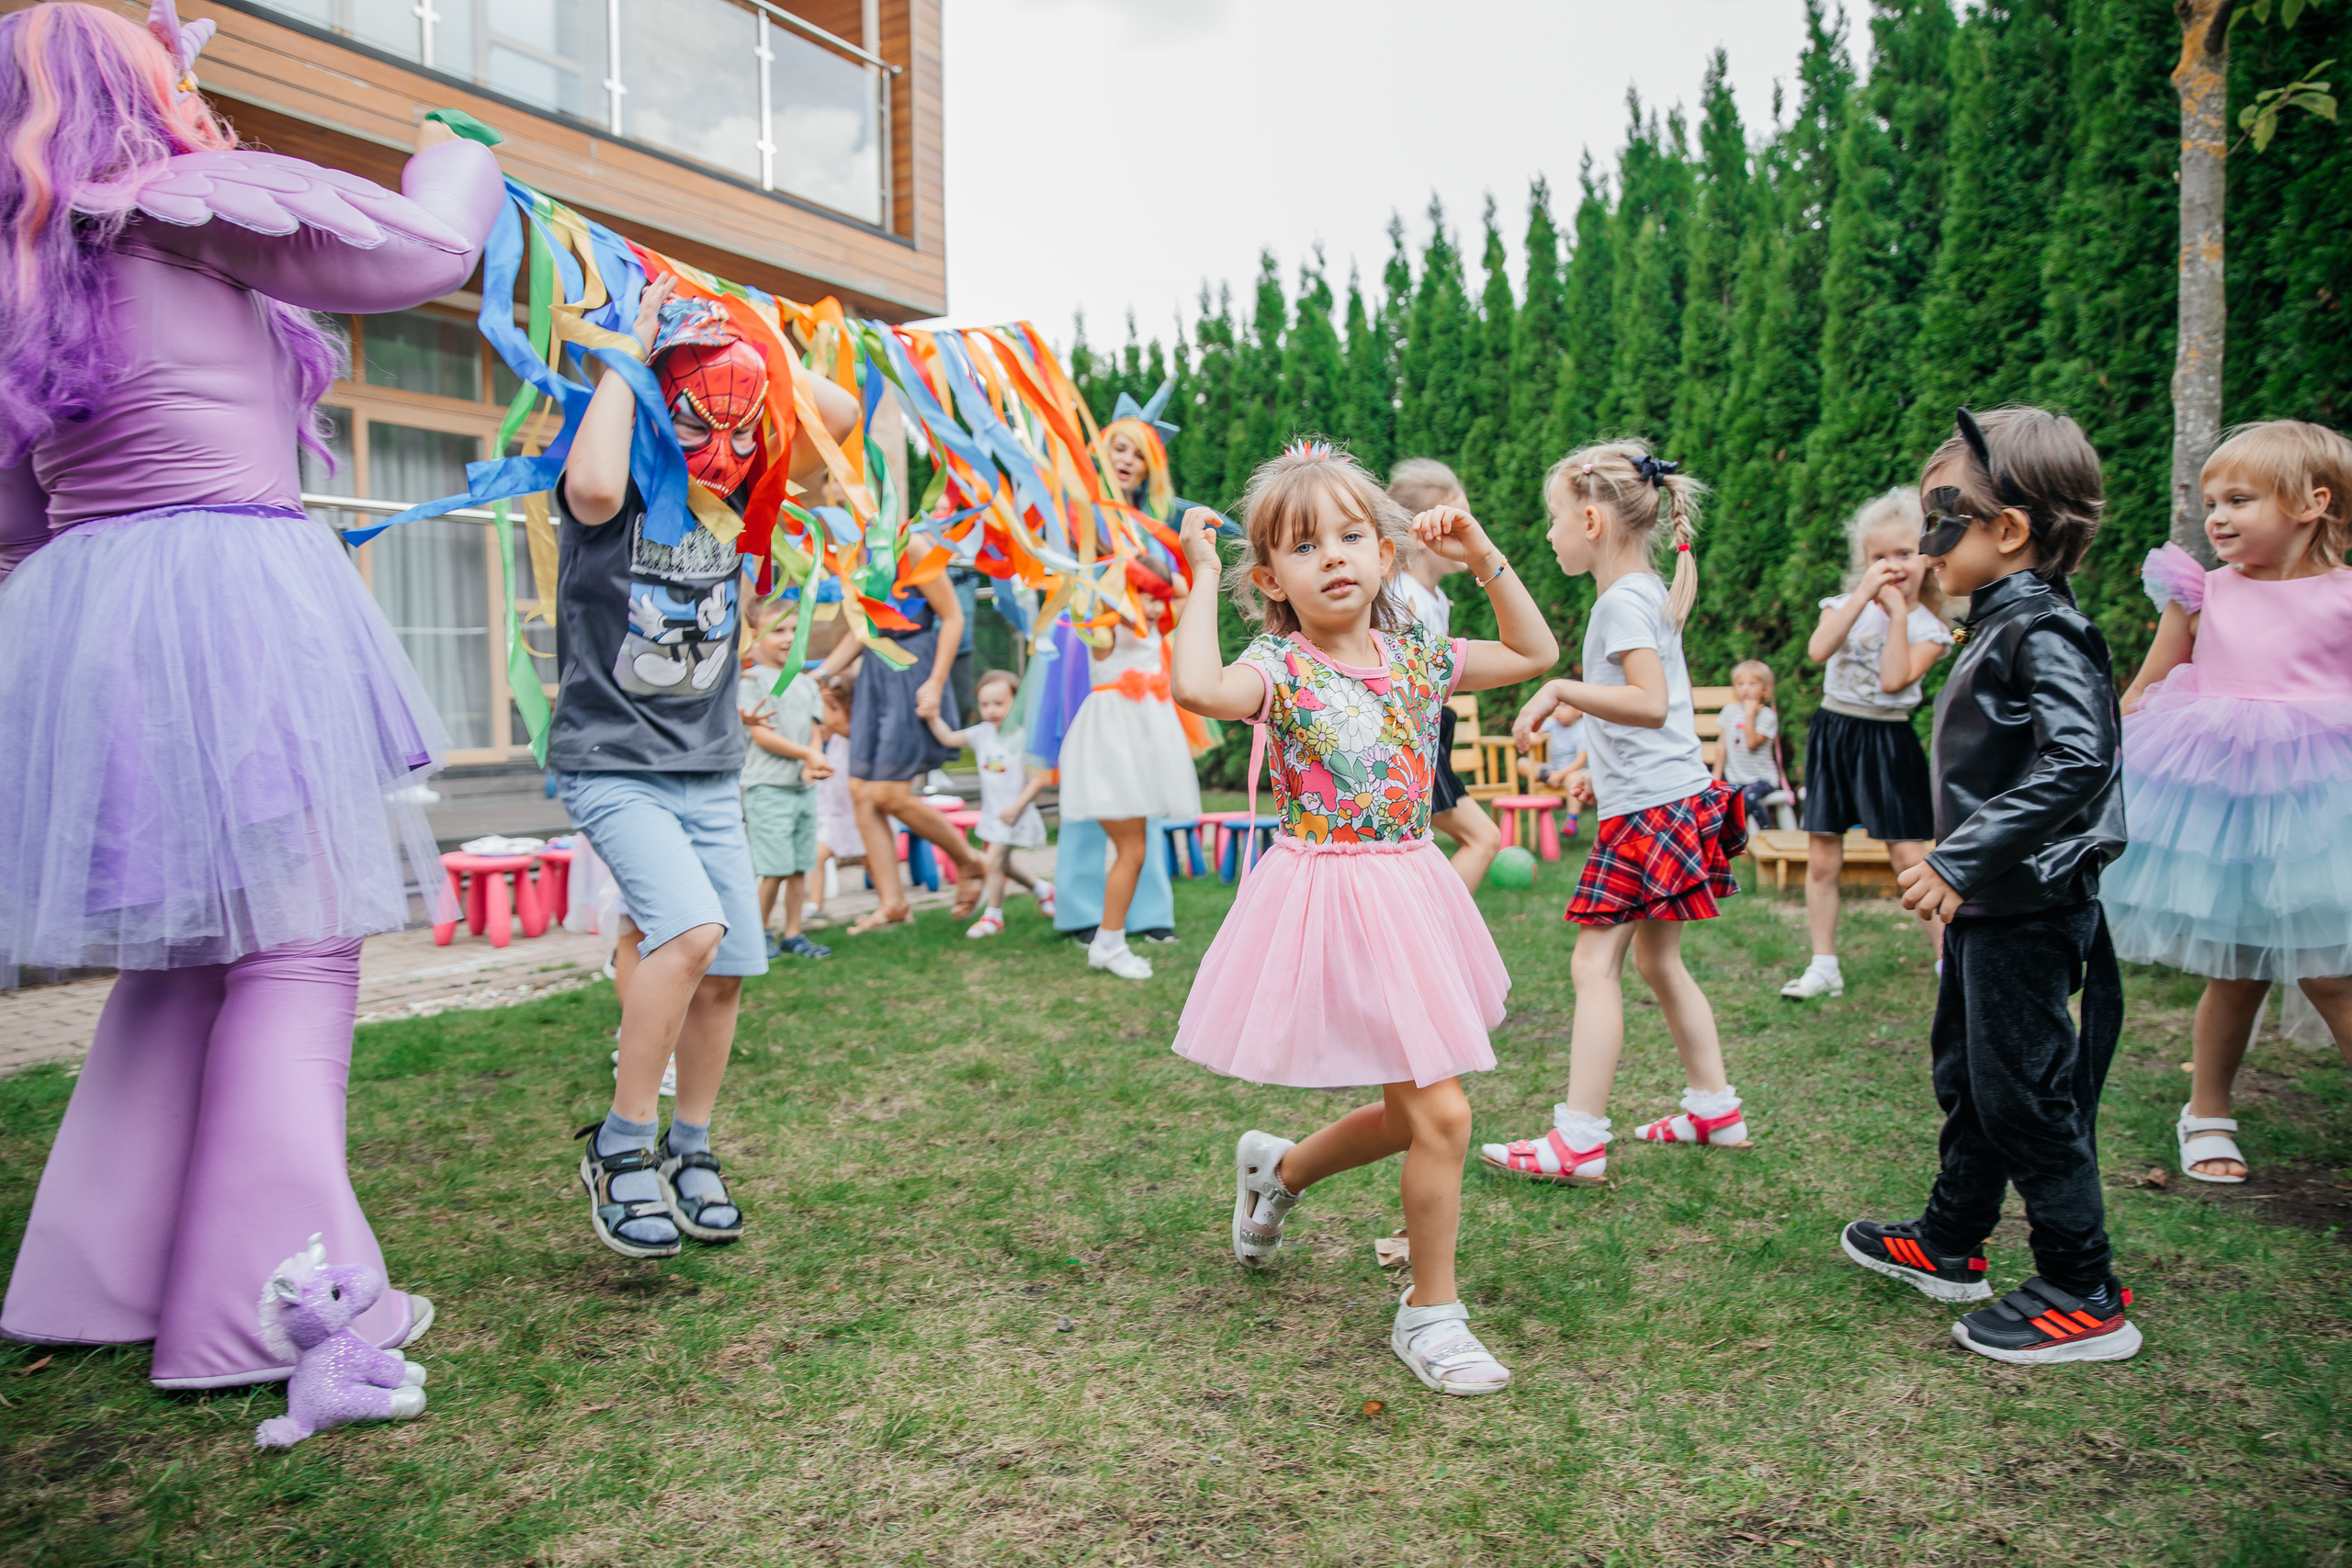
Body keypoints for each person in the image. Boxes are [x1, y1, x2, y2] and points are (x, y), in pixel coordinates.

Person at [0, 0, 502, 1386]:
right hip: (226, 593)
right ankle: (270, 1310)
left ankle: (94, 1278)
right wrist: (461, 159)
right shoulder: (167, 205)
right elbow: (422, 254)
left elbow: (12, 520)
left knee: (185, 956)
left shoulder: (21, 270)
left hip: (86, 615)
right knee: (296, 947)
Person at [1169, 442, 1557, 1396]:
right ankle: (1430, 1313)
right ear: (1271, 578)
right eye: (1304, 547)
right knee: (1442, 1114)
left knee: (1409, 1114)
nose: (1333, 557)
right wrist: (1201, 574)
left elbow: (1536, 654)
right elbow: (1198, 689)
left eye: (1351, 537)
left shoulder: (1417, 656)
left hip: (1410, 896)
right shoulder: (1278, 667)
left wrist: (1480, 551)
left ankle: (1279, 1173)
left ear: (1386, 554)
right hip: (1327, 906)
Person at [556, 272, 858, 1261]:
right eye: (694, 420)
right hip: (614, 763)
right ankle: (620, 1145)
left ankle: (691, 1146)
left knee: (725, 972)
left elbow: (837, 416)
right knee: (688, 935)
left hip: (708, 768)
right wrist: (633, 347)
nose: (718, 447)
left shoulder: (735, 508)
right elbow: (593, 486)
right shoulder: (614, 494)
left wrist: (751, 331)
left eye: (738, 426)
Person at [1843, 406, 2136, 1366]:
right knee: (1972, 1078)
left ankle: (2083, 1287)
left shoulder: (2044, 630)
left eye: (1942, 519)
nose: (1926, 544)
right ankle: (1950, 1240)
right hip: (1990, 903)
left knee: (2026, 1096)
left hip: (2029, 905)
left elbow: (2080, 759)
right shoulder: (1999, 622)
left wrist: (1958, 860)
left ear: (2008, 530)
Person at [1479, 441, 1752, 1186]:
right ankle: (1715, 1108)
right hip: (1670, 798)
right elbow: (1652, 718)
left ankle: (1578, 1139)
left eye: (1555, 518)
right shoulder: (1642, 591)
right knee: (1658, 961)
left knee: (1593, 964)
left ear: (1592, 521)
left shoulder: (1621, 602)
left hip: (1654, 812)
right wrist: (1593, 772)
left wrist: (1561, 689)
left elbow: (1649, 703)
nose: (1549, 533)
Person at [2105, 419, 2352, 1184]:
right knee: (2237, 966)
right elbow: (2144, 690)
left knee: (2332, 973)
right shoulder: (2201, 592)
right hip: (2223, 813)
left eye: (2239, 500)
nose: (2217, 516)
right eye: (2212, 501)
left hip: (2321, 809)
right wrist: (2093, 768)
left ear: (2312, 503)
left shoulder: (2345, 595)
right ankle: (2206, 1108)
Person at [1781, 489, 1954, 999]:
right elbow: (1818, 651)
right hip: (1834, 732)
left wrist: (1898, 615)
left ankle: (1950, 963)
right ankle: (1824, 965)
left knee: (1910, 857)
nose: (1892, 566)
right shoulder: (1842, 606)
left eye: (1904, 553)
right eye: (1879, 557)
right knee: (1823, 857)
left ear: (1927, 557)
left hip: (1888, 739)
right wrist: (1861, 597)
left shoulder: (1932, 630)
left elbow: (1895, 680)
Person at [815, 571, 986, 934]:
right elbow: (863, 628)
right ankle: (892, 903)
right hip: (876, 670)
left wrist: (935, 682)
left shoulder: (914, 546)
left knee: (888, 794)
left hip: (911, 667)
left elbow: (953, 617)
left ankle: (969, 861)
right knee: (860, 790)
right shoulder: (856, 554)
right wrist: (821, 674)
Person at [1057, 609, 1204, 980]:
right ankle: (1108, 942)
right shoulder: (1104, 630)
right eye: (1146, 596)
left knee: (1135, 850)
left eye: (1157, 597)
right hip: (1111, 752)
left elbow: (1184, 594)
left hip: (1139, 752)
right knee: (1133, 850)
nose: (1155, 607)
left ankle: (1109, 941)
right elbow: (1096, 616)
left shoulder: (1154, 626)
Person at [1387, 458, 1505, 890]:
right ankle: (1434, 926)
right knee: (1483, 838)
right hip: (1407, 744)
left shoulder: (1431, 598)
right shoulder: (1403, 599)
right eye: (1457, 523)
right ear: (1422, 531)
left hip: (1428, 739)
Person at [923, 668, 1052, 936]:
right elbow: (948, 738)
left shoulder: (1024, 737)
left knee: (992, 862)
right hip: (993, 814)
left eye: (999, 703)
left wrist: (1018, 806)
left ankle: (993, 917)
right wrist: (933, 717)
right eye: (985, 704)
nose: (991, 710)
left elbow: (1039, 778)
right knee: (1002, 865)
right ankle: (1044, 890)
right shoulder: (982, 733)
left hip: (1014, 813)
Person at [739, 599, 832, 961]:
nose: (788, 637)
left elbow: (814, 730)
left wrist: (814, 761)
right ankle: (757, 933)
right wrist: (807, 755)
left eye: (795, 630)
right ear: (755, 636)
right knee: (774, 868)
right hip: (767, 788)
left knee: (798, 867)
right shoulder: (751, 681)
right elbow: (761, 735)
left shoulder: (807, 684)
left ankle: (793, 933)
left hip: (801, 788)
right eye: (777, 630)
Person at [808, 674, 857, 928]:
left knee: (873, 859)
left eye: (834, 707)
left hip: (855, 811)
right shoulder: (835, 733)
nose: (828, 712)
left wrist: (823, 702)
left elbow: (836, 724)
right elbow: (822, 730)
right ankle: (815, 906)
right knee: (817, 855)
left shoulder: (853, 732)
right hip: (834, 812)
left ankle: (889, 900)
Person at [1713, 659, 1782, 825]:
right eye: (1740, 684)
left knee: (1748, 797)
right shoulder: (1729, 711)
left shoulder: (1766, 716)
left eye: (1752, 684)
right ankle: (1734, 837)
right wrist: (1716, 775)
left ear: (1764, 689)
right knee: (1718, 799)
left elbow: (1751, 743)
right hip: (1734, 778)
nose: (1745, 688)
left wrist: (1749, 714)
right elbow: (1722, 745)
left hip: (1762, 779)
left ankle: (1765, 832)